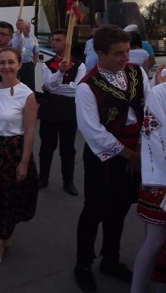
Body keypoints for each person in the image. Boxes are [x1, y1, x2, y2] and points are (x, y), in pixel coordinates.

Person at [73, 24, 148, 291]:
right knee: (94, 211)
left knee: (119, 209)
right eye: (118, 53)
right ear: (100, 53)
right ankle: (83, 264)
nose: (126, 57)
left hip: (135, 153)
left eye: (127, 51)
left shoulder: (137, 73)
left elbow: (147, 111)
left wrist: (139, 149)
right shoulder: (87, 87)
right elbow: (92, 131)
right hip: (103, 157)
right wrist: (128, 155)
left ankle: (111, 259)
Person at [0, 47, 39, 269]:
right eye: (2, 63)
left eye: (10, 62)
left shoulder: (28, 94)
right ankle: (3, 237)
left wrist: (23, 163)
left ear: (19, 65)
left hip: (13, 151)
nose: (6, 67)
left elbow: (30, 131)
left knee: (7, 199)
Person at [37, 29, 86, 196]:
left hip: (68, 113)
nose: (53, 43)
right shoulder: (47, 64)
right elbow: (49, 85)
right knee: (46, 147)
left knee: (67, 148)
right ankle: (43, 177)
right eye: (53, 40)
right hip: (49, 111)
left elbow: (78, 90)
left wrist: (54, 87)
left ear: (68, 43)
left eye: (58, 40)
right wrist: (60, 73)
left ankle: (68, 180)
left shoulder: (80, 65)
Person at [131, 78, 166, 292]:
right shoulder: (159, 93)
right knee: (154, 242)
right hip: (161, 178)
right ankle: (137, 288)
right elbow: (156, 137)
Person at [10, 19, 39, 91]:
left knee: (29, 87)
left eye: (29, 28)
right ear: (21, 28)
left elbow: (36, 52)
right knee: (13, 85)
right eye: (26, 28)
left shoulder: (33, 38)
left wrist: (33, 64)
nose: (29, 30)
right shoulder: (15, 37)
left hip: (28, 65)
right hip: (16, 65)